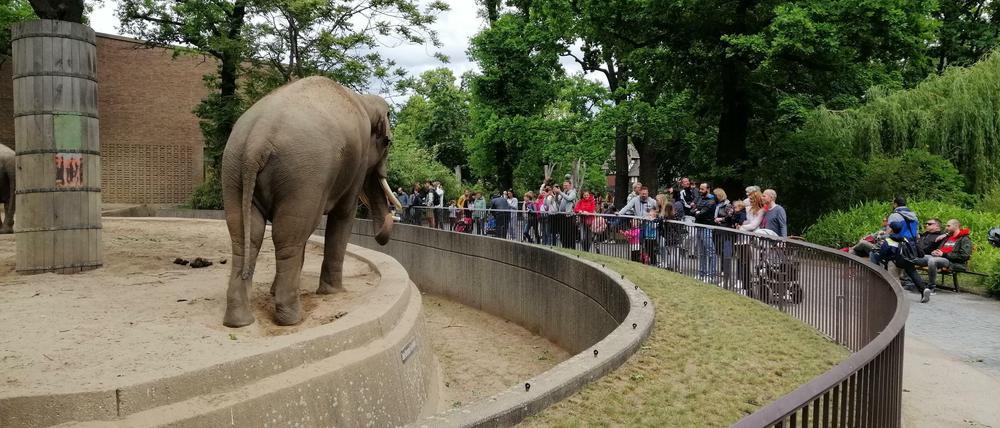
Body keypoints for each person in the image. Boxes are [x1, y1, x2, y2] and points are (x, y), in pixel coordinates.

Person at [914, 219, 973, 291]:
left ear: (956, 226)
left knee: (933, 261)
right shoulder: (947, 237)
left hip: (951, 261)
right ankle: (911, 282)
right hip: (939, 257)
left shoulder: (964, 239)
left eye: (948, 226)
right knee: (913, 258)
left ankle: (931, 287)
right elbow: (941, 248)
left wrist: (944, 254)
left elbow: (964, 256)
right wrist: (935, 252)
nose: (946, 228)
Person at [880, 222, 931, 303]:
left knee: (894, 277)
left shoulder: (888, 240)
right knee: (913, 273)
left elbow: (883, 252)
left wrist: (882, 260)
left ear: (891, 229)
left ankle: (899, 296)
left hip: (894, 261)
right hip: (907, 259)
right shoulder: (905, 238)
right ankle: (923, 289)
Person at [692, 183, 718, 280]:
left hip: (707, 228)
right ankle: (702, 273)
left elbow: (702, 213)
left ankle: (711, 275)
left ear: (708, 189)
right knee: (702, 252)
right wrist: (697, 211)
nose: (700, 191)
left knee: (710, 252)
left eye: (702, 189)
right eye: (700, 189)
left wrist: (698, 211)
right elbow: (693, 210)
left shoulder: (711, 201)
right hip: (699, 227)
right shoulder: (700, 198)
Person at [552, 180, 578, 249]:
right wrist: (557, 194)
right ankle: (564, 247)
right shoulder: (563, 193)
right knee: (563, 233)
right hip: (562, 216)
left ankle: (572, 249)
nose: (565, 187)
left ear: (570, 185)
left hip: (569, 216)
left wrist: (560, 192)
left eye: (566, 185)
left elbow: (569, 199)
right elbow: (557, 202)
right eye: (564, 185)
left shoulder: (573, 192)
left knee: (570, 234)